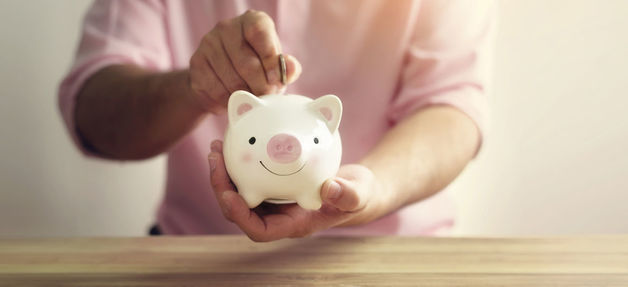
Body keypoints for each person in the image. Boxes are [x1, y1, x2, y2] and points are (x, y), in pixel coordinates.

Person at [59, 0, 493, 241]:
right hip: (198, 251)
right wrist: (196, 87)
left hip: (394, 250)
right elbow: (95, 110)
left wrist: (370, 189)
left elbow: (451, 105)